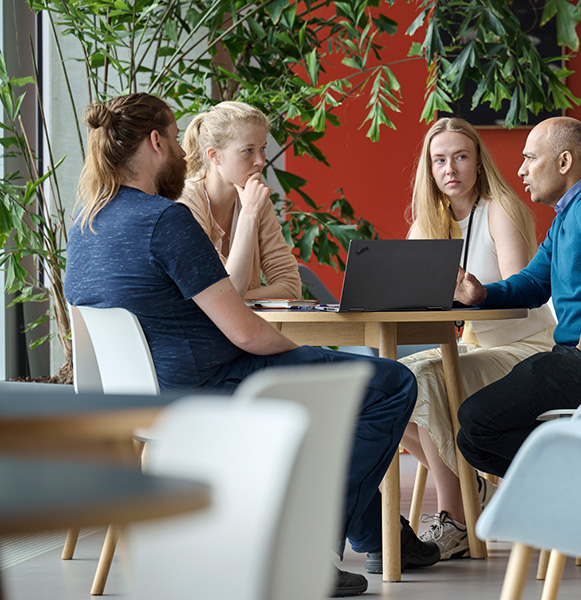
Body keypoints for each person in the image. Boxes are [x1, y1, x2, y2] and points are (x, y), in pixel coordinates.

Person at [63, 93, 438, 597]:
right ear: (156, 142)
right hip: (212, 384)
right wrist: (313, 355)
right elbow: (244, 331)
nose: (180, 151)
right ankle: (309, 553)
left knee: (339, 393)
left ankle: (375, 533)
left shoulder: (84, 225)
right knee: (390, 383)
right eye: (175, 140)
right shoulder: (165, 219)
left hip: (143, 399)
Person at [454, 116, 581, 477]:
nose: (521, 170)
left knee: (475, 421)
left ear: (564, 162)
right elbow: (534, 284)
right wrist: (481, 294)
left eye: (530, 158)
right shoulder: (569, 215)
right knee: (472, 434)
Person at [398, 118, 556, 559]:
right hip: (475, 347)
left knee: (428, 378)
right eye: (440, 160)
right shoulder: (428, 223)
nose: (451, 168)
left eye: (461, 156)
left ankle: (458, 519)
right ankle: (474, 493)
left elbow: (517, 292)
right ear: (429, 170)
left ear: (479, 163)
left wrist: (466, 297)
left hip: (526, 346)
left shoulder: (499, 207)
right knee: (392, 384)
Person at [177, 101, 301, 299]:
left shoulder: (254, 199)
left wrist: (238, 297)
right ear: (214, 156)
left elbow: (290, 288)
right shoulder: (184, 203)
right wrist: (249, 214)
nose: (260, 161)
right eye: (248, 151)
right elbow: (226, 296)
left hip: (238, 326)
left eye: (262, 148)